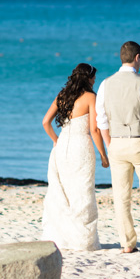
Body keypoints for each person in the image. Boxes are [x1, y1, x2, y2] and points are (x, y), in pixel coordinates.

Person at [96, 41, 140, 254]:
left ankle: (127, 243)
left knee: (121, 197)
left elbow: (102, 121)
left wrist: (109, 144)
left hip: (117, 144)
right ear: (137, 57)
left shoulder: (105, 84)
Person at [41, 63, 109, 250]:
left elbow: (45, 122)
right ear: (87, 78)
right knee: (82, 193)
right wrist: (104, 155)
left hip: (62, 147)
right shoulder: (90, 97)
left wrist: (56, 141)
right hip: (81, 148)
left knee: (62, 193)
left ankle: (62, 239)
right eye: (93, 77)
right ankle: (81, 242)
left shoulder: (62, 96)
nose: (95, 80)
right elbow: (94, 130)